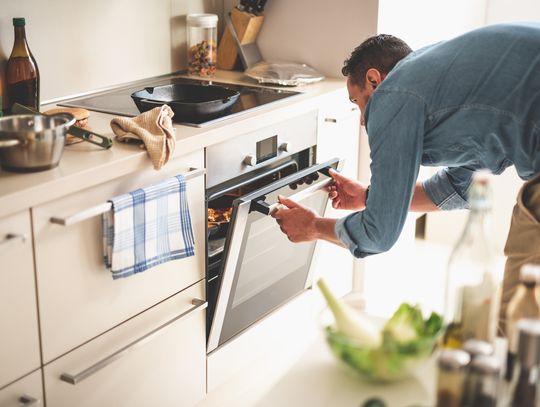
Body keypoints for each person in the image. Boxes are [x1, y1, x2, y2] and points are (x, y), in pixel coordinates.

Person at [272, 22, 540, 332]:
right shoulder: (445, 84)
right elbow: (458, 188)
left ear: (374, 80)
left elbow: (379, 233)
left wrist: (313, 227)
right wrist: (372, 197)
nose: (362, 121)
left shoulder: (393, 93)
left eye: (357, 103)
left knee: (514, 319)